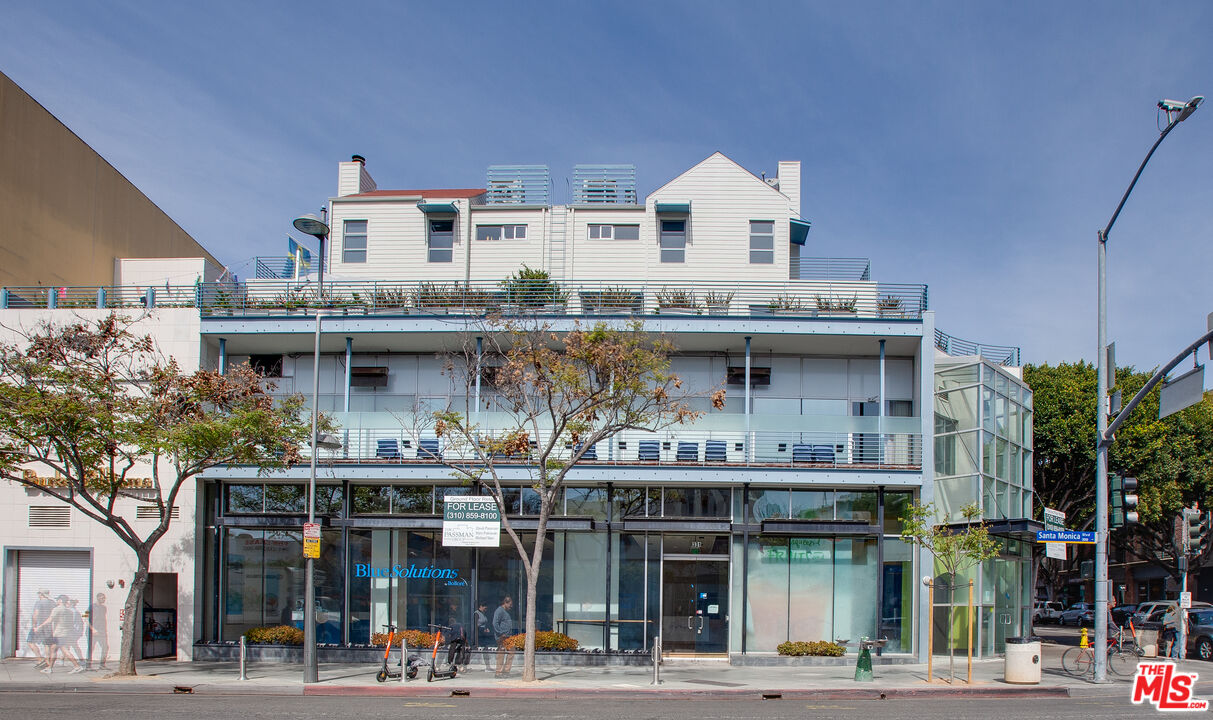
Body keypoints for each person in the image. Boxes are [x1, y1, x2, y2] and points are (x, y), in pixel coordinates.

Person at [27, 589, 55, 669]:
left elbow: (36, 614)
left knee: (30, 642)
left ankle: (40, 660)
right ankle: (47, 662)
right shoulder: (52, 603)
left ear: (41, 594)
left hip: (39, 626)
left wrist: (34, 625)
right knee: (47, 644)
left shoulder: (39, 603)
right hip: (48, 626)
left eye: (39, 593)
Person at [493, 595, 515, 678]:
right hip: (502, 636)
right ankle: (498, 672)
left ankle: (506, 671)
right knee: (501, 654)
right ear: (505, 603)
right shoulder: (499, 611)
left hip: (508, 636)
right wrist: (500, 633)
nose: (511, 606)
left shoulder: (506, 611)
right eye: (510, 604)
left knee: (511, 652)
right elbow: (495, 623)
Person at [88, 593, 109, 671]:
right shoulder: (91, 607)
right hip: (93, 631)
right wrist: (92, 629)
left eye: (104, 598)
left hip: (102, 631)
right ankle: (88, 665)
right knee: (91, 648)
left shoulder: (104, 608)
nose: (103, 599)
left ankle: (102, 665)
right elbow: (85, 617)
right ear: (98, 598)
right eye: (102, 598)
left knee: (105, 647)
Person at [474, 601, 493, 670]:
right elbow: (475, 625)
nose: (486, 609)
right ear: (481, 606)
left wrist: (486, 629)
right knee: (475, 650)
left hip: (483, 634)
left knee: (485, 649)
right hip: (479, 634)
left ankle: (488, 666)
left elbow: (484, 624)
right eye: (485, 608)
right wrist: (482, 630)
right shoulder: (476, 614)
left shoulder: (483, 614)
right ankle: (463, 664)